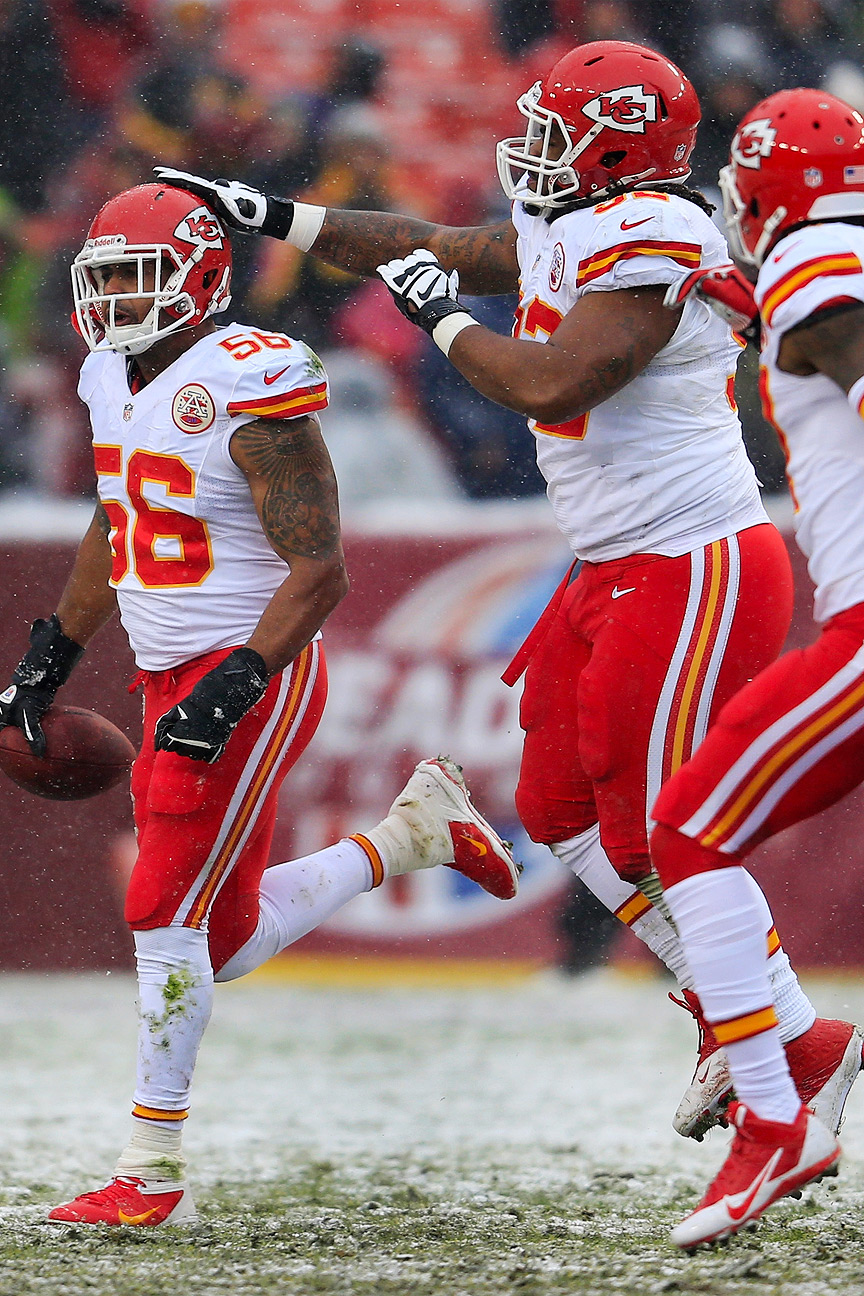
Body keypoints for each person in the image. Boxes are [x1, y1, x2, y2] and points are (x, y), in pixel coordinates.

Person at [156, 41, 863, 1145]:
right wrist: (270, 213)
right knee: (556, 809)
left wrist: (440, 316)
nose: (532, 152)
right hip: (616, 563)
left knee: (655, 836)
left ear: (621, 148)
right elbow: (431, 246)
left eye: (558, 132)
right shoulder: (581, 222)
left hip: (691, 562)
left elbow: (551, 379)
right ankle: (785, 1034)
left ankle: (770, 1049)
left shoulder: (659, 232)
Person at [0, 182, 519, 1226]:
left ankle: (149, 1173)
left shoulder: (248, 378)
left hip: (253, 669)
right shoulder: (111, 373)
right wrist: (53, 651)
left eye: (138, 279)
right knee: (220, 939)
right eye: (103, 281)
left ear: (200, 277)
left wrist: (238, 682)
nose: (115, 303)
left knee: (161, 909)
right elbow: (122, 520)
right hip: (168, 672)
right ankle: (414, 837)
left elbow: (319, 569)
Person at [650, 87, 864, 1248]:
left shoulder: (819, 259)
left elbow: (841, 336)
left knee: (689, 826)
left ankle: (776, 1120)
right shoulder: (829, 258)